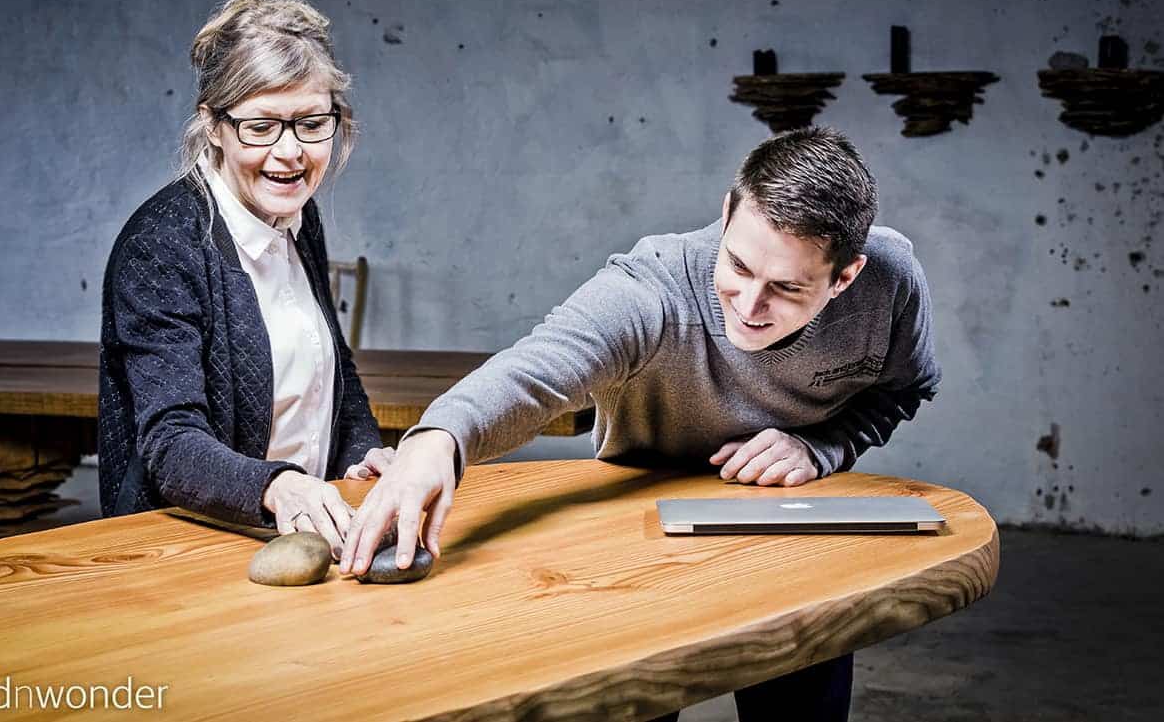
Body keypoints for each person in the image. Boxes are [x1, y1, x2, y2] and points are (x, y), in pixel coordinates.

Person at [340, 126, 941, 720]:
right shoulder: (651, 288)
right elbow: (533, 371)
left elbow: (905, 388)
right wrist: (437, 442)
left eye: (786, 288)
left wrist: (821, 447)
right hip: (641, 530)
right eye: (737, 265)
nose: (751, 305)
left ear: (846, 276)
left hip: (790, 527)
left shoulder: (890, 282)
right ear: (729, 211)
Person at [98, 0, 386, 549]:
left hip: (300, 535)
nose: (291, 153)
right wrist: (280, 487)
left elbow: (334, 370)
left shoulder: (297, 214)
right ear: (213, 125)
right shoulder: (162, 245)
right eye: (261, 127)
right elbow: (170, 442)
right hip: (180, 551)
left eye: (311, 122)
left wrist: (361, 456)